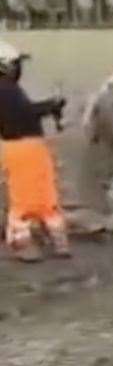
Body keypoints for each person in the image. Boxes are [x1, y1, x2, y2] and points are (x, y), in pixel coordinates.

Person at [0, 43, 69, 262]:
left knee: (43, 195)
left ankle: (53, 239)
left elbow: (24, 113)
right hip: (21, 148)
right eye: (16, 64)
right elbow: (22, 115)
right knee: (27, 199)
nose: (19, 69)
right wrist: (50, 106)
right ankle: (24, 243)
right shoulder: (4, 89)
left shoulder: (9, 89)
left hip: (29, 148)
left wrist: (48, 107)